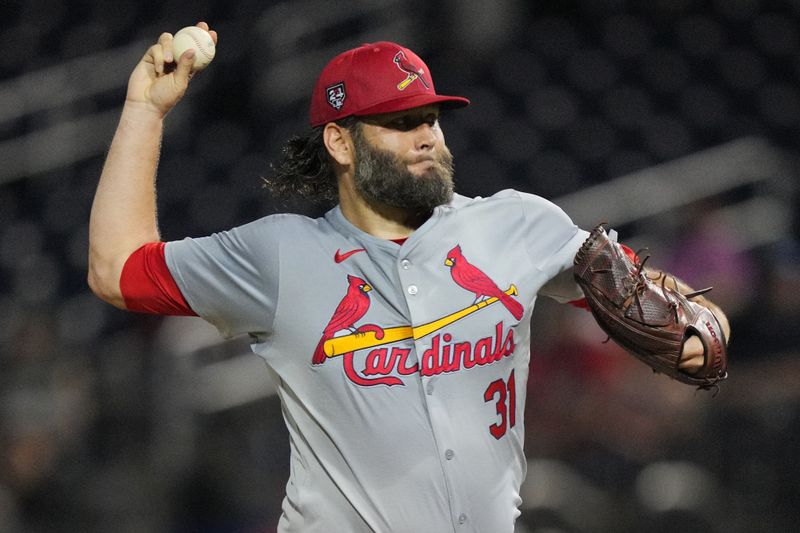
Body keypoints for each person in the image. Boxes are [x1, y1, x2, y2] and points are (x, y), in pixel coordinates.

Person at [88, 22, 730, 533]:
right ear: (341, 143)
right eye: (398, 122)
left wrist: (697, 328)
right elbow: (117, 271)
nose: (424, 135)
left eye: (429, 117)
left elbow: (698, 322)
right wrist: (145, 111)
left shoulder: (519, 227)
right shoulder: (279, 255)